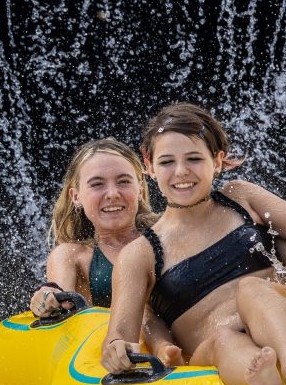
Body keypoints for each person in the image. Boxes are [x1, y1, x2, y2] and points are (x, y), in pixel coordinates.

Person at [101, 103, 286, 385]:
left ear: (217, 161)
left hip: (273, 309)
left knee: (252, 287)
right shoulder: (139, 254)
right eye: (167, 162)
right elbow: (120, 334)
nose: (181, 172)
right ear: (149, 165)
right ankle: (260, 376)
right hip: (213, 348)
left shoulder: (240, 197)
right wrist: (115, 349)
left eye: (194, 158)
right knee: (223, 339)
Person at [28, 138, 183, 366]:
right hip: (114, 355)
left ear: (140, 188)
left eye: (123, 182)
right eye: (97, 184)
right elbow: (59, 296)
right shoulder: (72, 256)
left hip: (184, 339)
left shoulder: (171, 236)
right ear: (76, 196)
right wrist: (46, 298)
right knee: (137, 309)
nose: (112, 193)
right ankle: (162, 350)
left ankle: (168, 350)